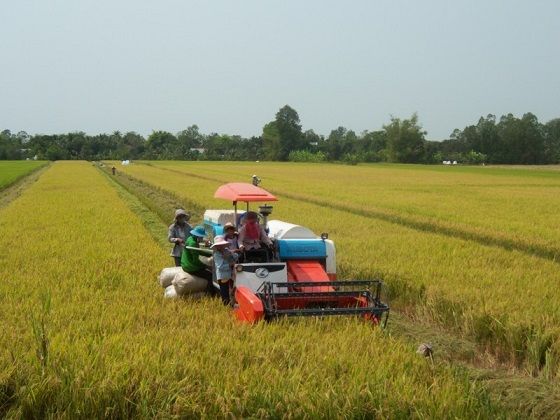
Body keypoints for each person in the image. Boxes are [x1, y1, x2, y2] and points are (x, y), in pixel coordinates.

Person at [211, 235, 238, 305]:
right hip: (222, 275)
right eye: (219, 245)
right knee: (224, 293)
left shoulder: (227, 251)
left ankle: (232, 305)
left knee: (232, 290)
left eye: (222, 245)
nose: (221, 246)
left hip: (230, 274)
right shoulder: (216, 254)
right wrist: (230, 264)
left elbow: (236, 257)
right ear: (216, 246)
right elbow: (220, 267)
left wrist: (230, 254)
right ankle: (226, 307)